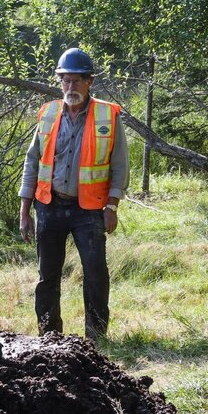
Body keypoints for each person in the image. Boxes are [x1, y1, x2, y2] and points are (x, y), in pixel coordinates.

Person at [19, 48, 130, 342]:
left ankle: (95, 337)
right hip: (49, 206)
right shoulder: (49, 113)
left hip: (89, 209)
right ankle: (49, 336)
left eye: (77, 81)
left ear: (89, 82)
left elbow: (119, 164)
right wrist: (24, 211)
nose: (71, 87)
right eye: (65, 81)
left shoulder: (108, 115)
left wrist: (112, 205)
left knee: (95, 274)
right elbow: (32, 161)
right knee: (47, 277)